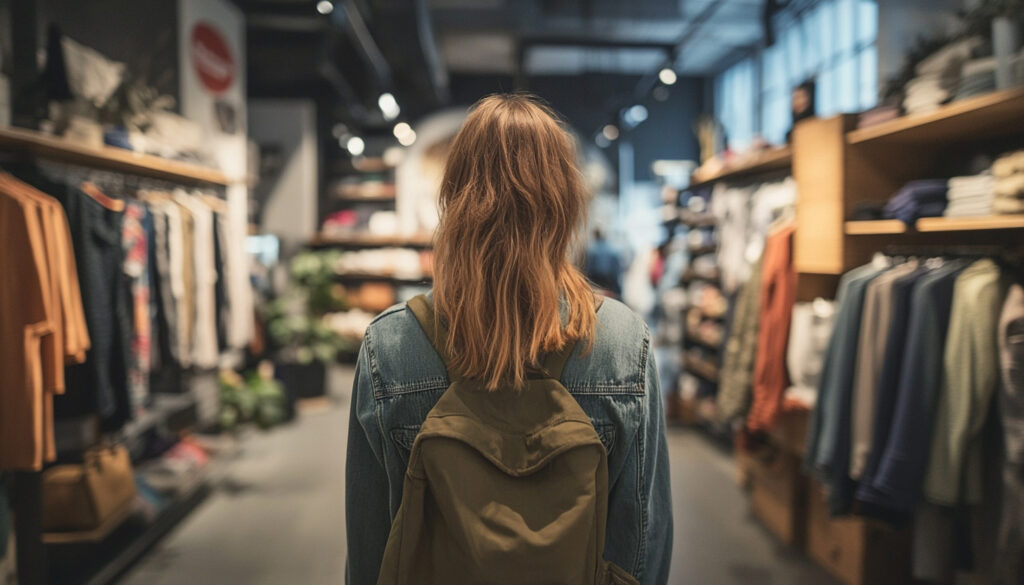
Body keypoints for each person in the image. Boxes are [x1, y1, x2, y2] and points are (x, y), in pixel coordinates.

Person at [344, 94, 673, 585]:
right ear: (564, 201)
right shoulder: (624, 342)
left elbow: (371, 547)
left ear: (453, 197)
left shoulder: (390, 346)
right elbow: (642, 540)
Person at [585, 228, 623, 297]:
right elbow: (617, 270)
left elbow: (589, 269)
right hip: (610, 283)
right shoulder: (612, 249)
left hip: (596, 282)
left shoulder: (592, 249)